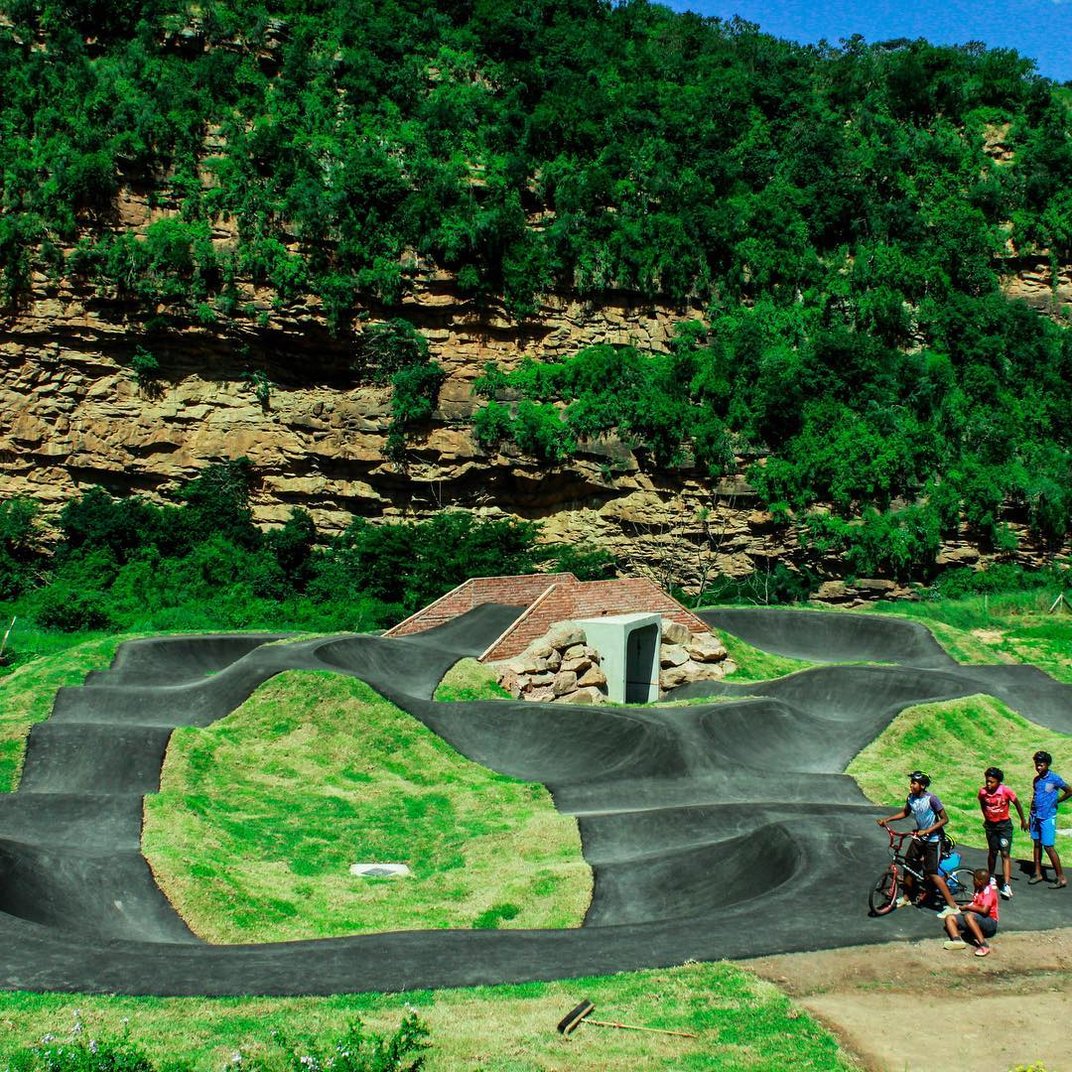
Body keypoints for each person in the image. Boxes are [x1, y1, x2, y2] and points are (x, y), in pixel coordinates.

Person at [877, 770, 961, 915]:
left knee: (932, 873)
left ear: (922, 786)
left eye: (914, 783)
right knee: (908, 865)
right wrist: (887, 820)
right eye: (911, 782)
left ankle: (953, 907)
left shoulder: (932, 799)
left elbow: (944, 819)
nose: (911, 785)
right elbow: (905, 812)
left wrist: (927, 831)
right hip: (919, 837)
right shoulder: (911, 798)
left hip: (933, 840)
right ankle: (907, 898)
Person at [977, 766, 1026, 899]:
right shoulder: (983, 792)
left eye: (991, 782)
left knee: (1005, 853)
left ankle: (1006, 884)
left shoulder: (1005, 791)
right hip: (991, 826)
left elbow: (1017, 803)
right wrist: (986, 817)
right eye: (987, 781)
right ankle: (992, 877)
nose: (988, 784)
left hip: (1004, 826)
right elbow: (982, 803)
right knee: (993, 852)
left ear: (998, 781)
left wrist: (1023, 820)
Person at [1028, 750, 1071, 888]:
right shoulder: (1036, 780)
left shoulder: (1054, 779)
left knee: (1048, 846)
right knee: (1036, 844)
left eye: (1041, 765)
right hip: (1035, 816)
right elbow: (1035, 797)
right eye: (1036, 765)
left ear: (1047, 764)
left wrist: (1057, 801)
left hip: (1047, 817)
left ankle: (1061, 877)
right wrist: (1030, 816)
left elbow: (1069, 790)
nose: (1038, 767)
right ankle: (1037, 873)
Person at [942, 867, 999, 956]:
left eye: (974, 879)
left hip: (990, 922)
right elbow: (974, 904)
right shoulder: (978, 889)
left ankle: (984, 945)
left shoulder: (989, 892)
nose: (973, 881)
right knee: (950, 918)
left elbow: (984, 910)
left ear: (980, 881)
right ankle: (957, 940)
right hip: (977, 918)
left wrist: (967, 908)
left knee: (969, 916)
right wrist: (962, 908)